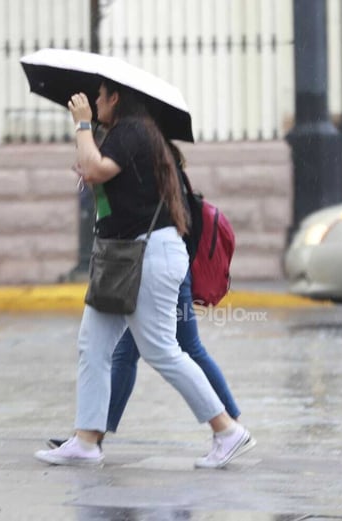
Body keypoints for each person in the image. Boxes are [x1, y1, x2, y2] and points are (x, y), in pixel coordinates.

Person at [34, 80, 255, 469]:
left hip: (148, 254)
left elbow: (97, 168)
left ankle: (227, 430)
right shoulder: (126, 133)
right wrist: (89, 143)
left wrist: (82, 126)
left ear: (115, 98)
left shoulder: (134, 130)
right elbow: (98, 174)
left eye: (99, 97)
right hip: (122, 257)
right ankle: (86, 441)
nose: (95, 103)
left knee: (162, 349)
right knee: (94, 345)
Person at [46, 145, 241, 444]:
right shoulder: (157, 158)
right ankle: (91, 434)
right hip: (158, 265)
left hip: (161, 267)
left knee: (181, 349)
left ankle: (229, 423)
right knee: (132, 352)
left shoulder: (150, 159)